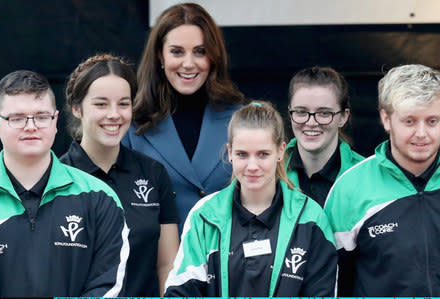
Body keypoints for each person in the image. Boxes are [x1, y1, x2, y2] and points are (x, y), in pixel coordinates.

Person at [0, 70, 129, 297]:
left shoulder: (100, 198)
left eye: (41, 117)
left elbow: (108, 287)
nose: (31, 126)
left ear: (55, 121)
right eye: (17, 118)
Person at [164, 101, 337, 297]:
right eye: (242, 154)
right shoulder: (204, 215)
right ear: (230, 153)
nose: (252, 166)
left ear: (281, 151)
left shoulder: (311, 218)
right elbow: (180, 292)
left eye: (263, 154)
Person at [60, 54, 179, 296]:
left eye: (123, 104)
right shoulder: (56, 179)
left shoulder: (153, 173)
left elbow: (168, 264)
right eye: (101, 104)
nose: (114, 114)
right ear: (76, 108)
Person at [122, 2, 246, 228]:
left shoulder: (240, 119)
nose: (188, 64)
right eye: (177, 51)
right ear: (160, 55)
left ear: (213, 57)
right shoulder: (132, 125)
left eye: (200, 52)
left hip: (228, 257)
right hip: (159, 259)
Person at [324, 64, 440, 296]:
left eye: (432, 121)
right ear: (386, 119)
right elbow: (331, 283)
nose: (421, 133)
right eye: (409, 121)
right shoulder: (350, 189)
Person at [286, 66, 364, 207]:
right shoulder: (268, 172)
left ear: (343, 117)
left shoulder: (367, 176)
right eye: (301, 112)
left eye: (324, 113)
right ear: (290, 113)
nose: (311, 122)